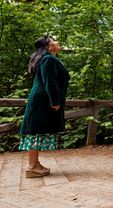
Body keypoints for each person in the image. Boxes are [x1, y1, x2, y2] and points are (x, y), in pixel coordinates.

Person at [19, 36, 70, 178]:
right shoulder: (48, 59)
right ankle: (32, 166)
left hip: (41, 99)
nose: (57, 42)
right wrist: (55, 101)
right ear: (48, 46)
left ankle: (35, 164)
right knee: (35, 130)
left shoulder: (46, 58)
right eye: (54, 40)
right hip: (43, 100)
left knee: (37, 130)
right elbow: (50, 81)